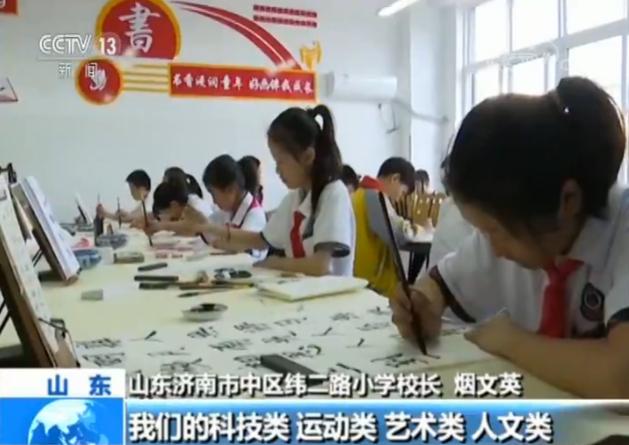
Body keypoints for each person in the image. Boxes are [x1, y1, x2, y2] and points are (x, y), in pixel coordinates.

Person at [391, 77, 629, 398]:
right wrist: (422, 304)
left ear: (568, 200)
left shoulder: (621, 230)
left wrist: (511, 340)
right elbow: (440, 284)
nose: (493, 248)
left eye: (494, 231)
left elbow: (621, 376)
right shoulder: (516, 227)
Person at [147, 105, 355, 276]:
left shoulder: (333, 193)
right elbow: (260, 240)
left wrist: (275, 263)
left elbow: (320, 266)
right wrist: (207, 227)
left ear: (308, 157)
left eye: (281, 162)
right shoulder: (295, 199)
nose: (277, 170)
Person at [352, 157, 426, 298]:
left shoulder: (358, 193)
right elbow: (398, 233)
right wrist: (420, 229)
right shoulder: (374, 196)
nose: (399, 198)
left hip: (361, 276)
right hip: (376, 283)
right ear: (395, 179)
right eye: (403, 192)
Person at [203, 154, 267, 257]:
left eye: (213, 194)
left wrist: (220, 241)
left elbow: (241, 246)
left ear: (231, 189)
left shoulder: (255, 214)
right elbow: (206, 230)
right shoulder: (227, 211)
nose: (214, 201)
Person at [148, 176, 212, 236]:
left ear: (174, 205)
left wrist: (161, 226)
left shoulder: (194, 205)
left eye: (173, 219)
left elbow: (191, 226)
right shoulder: (184, 203)